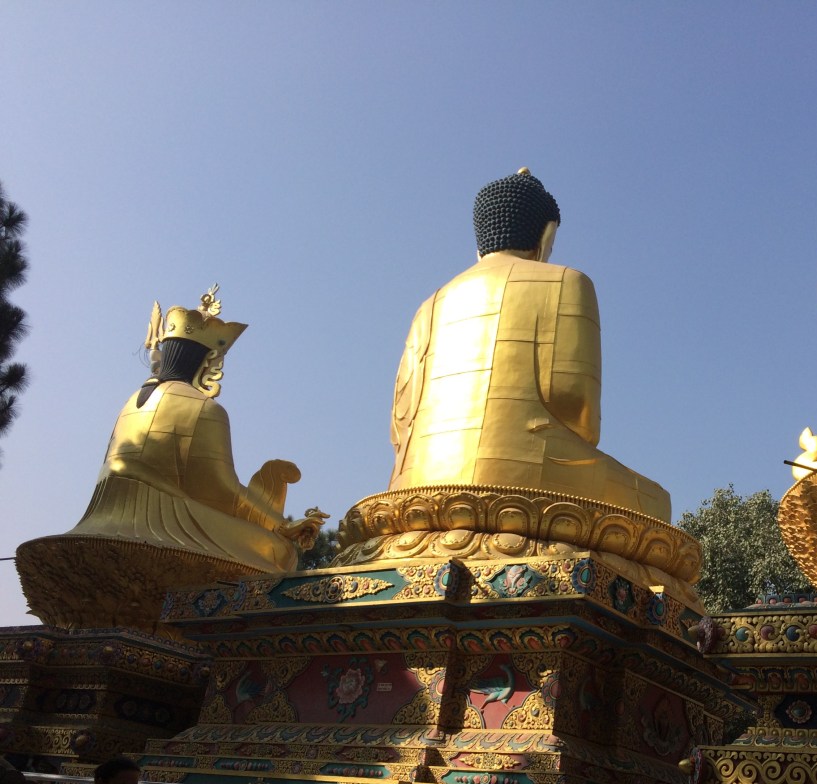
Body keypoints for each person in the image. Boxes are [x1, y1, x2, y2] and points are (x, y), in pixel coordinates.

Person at [389, 168, 671, 521]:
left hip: (414, 490)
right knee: (654, 501)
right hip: (526, 486)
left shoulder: (429, 305)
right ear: (547, 234)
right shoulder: (567, 281)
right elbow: (579, 414)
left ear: (479, 245)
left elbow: (400, 429)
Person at [67, 286, 324, 571]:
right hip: (163, 521)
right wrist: (282, 525)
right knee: (281, 551)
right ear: (209, 361)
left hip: (104, 515)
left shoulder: (132, 401)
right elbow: (222, 490)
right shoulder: (205, 408)